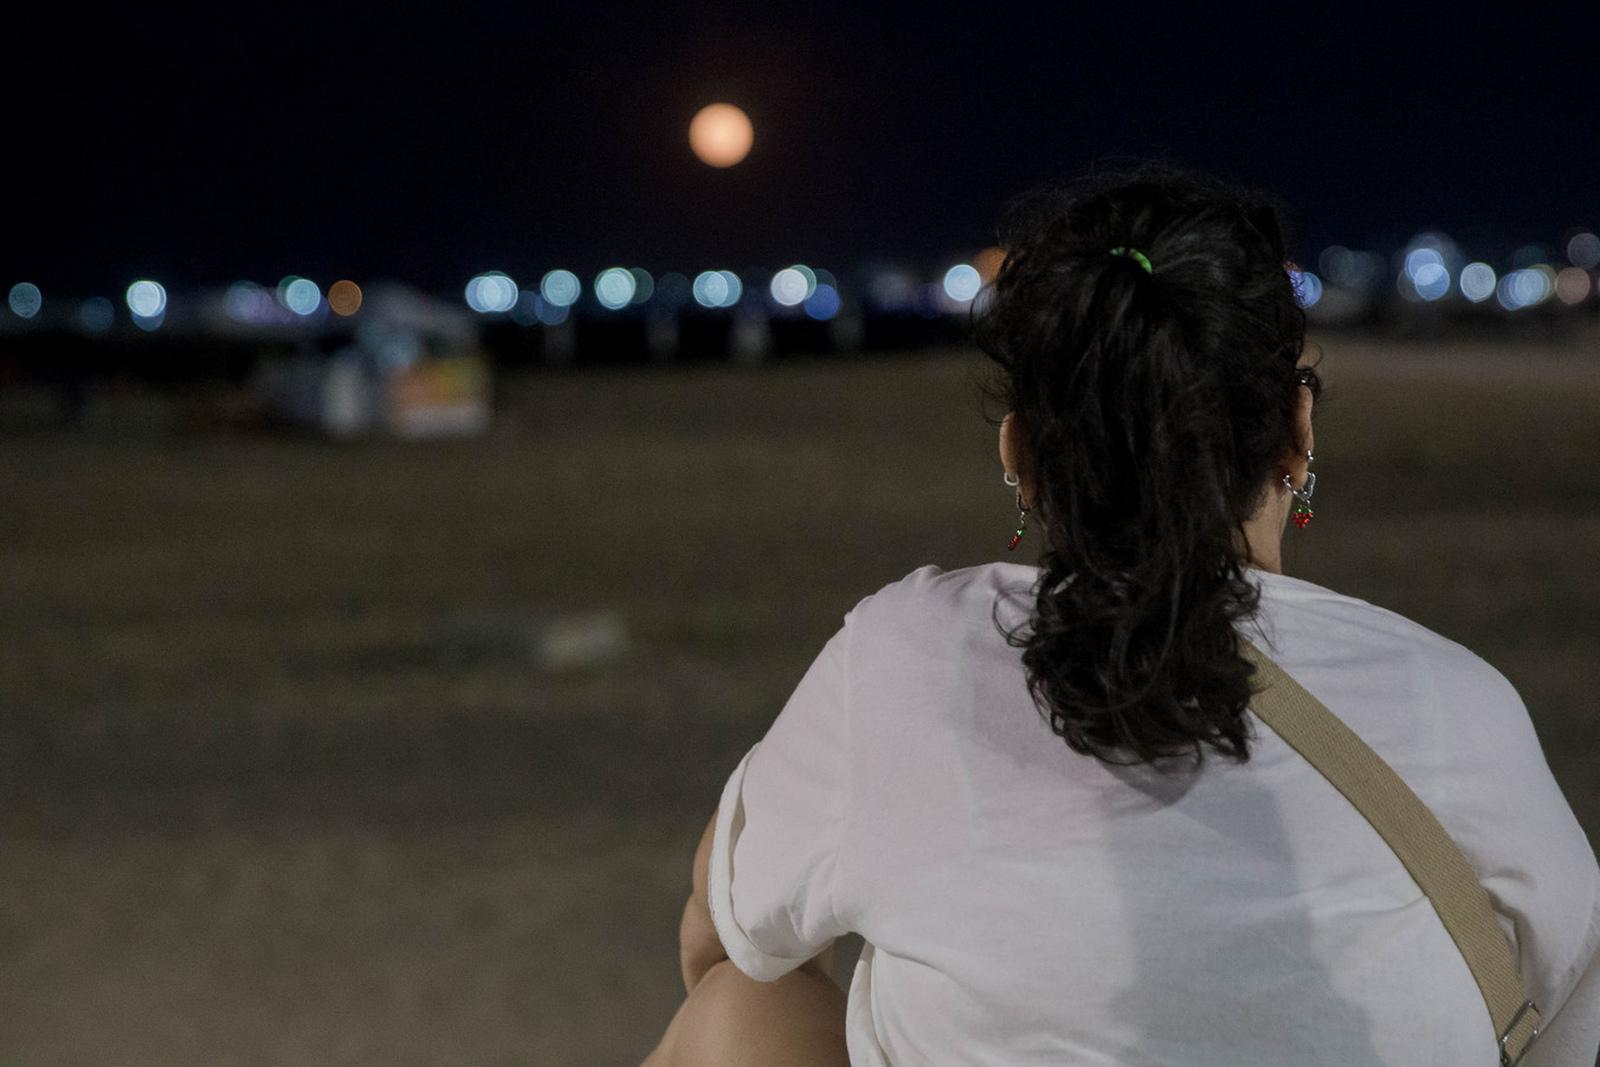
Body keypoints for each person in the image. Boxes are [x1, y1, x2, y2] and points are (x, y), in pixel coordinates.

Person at [644, 161, 1600, 1065]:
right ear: (1295, 432)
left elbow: (722, 929)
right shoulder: (1460, 703)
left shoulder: (911, 653)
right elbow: (1564, 1022)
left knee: (739, 1005)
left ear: (1021, 456)